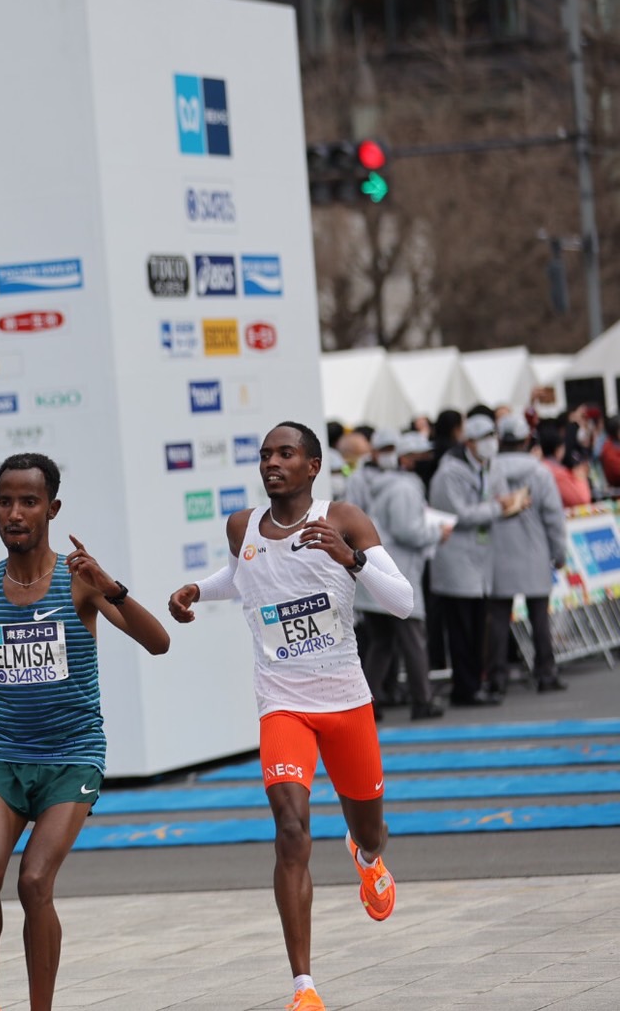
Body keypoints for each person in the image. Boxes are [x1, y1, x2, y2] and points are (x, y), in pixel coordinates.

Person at [0, 453, 170, 1011]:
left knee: (34, 881)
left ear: (52, 508)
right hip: (9, 759)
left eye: (28, 502)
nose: (14, 513)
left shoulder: (79, 581)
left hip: (73, 758)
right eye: (4, 501)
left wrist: (112, 588)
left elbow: (158, 642)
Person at [167, 422, 417, 1011]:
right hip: (283, 703)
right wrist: (197, 591)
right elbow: (245, 576)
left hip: (346, 701)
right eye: (264, 455)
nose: (272, 463)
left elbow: (403, 602)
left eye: (285, 454)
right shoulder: (242, 526)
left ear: (313, 465)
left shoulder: (345, 518)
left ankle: (368, 860)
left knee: (369, 829)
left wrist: (350, 557)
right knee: (290, 828)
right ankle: (304, 987)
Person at [429, 413, 525, 706]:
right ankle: (466, 688)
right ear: (468, 441)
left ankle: (476, 682)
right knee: (461, 629)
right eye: (483, 438)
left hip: (482, 560)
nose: (490, 443)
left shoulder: (491, 467)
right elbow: (460, 516)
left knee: (477, 627)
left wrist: (509, 505)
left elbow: (502, 500)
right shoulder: (449, 473)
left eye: (492, 436)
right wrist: (497, 507)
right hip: (457, 561)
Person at [357, 432, 449, 720]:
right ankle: (422, 700)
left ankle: (366, 703)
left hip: (377, 575)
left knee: (381, 642)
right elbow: (407, 530)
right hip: (397, 575)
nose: (427, 461)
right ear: (407, 460)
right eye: (421, 456)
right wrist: (438, 532)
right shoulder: (404, 489)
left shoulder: (386, 486)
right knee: (412, 639)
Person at [492, 416, 568, 694]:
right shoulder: (540, 472)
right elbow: (553, 517)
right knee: (539, 618)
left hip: (497, 554)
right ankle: (546, 673)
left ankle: (497, 678)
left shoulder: (490, 471)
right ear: (527, 440)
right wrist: (559, 553)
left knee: (499, 620)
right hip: (535, 551)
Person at [539, 421, 592, 508]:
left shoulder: (541, 467)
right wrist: (581, 478)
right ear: (558, 450)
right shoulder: (557, 473)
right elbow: (582, 500)